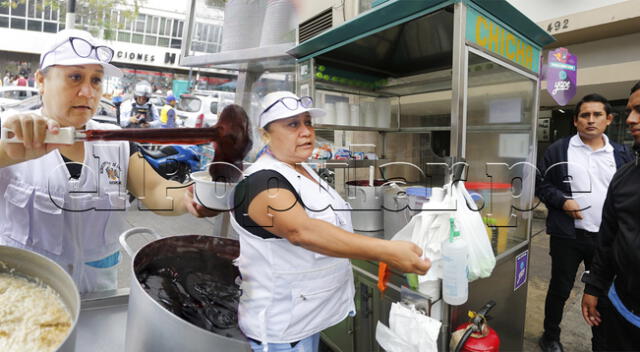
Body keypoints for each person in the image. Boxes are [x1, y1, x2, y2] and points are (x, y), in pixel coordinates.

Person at [0, 29, 210, 294]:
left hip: (97, 298)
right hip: (24, 298)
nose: (87, 91)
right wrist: (6, 153)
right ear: (41, 81)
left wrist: (192, 196)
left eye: (96, 80)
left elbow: (156, 191)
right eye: (75, 77)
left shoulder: (115, 142)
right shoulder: (11, 133)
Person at [221, 91, 430, 352]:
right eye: (292, 124)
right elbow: (302, 231)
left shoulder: (303, 169)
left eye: (308, 122)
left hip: (307, 320)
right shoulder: (260, 182)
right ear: (266, 134)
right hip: (281, 333)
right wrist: (386, 251)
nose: (306, 131)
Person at [535, 93, 633, 352]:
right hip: (568, 236)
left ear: (609, 120)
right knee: (559, 289)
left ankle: (600, 342)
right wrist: (562, 201)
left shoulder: (622, 154)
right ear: (576, 121)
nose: (591, 120)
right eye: (585, 115)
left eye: (597, 115)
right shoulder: (559, 149)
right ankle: (550, 336)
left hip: (606, 239)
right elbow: (541, 184)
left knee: (602, 293)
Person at [581, 82, 640, 351]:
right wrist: (594, 286)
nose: (631, 119)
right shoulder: (627, 175)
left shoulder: (619, 153)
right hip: (623, 310)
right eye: (630, 111)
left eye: (639, 110)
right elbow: (609, 238)